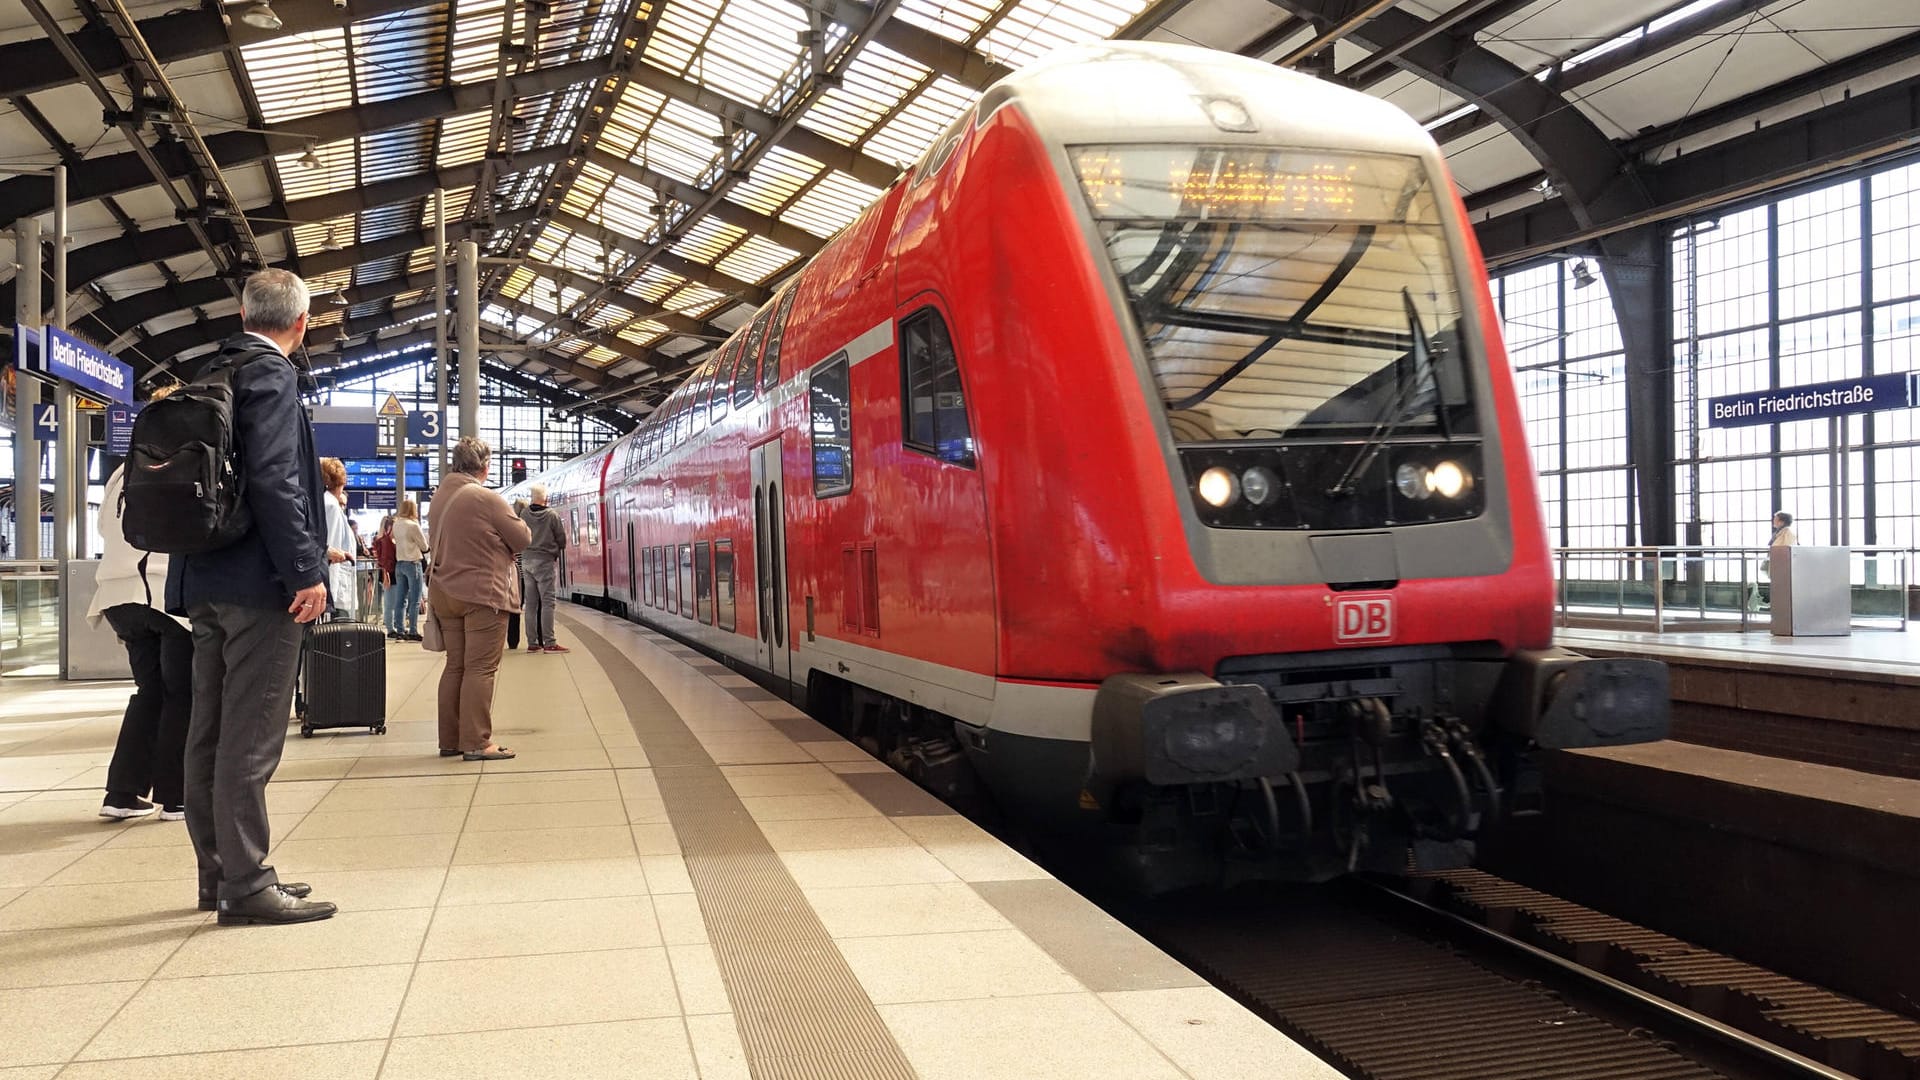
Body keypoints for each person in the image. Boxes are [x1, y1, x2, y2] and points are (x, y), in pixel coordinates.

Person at [165, 268, 336, 927]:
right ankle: (248, 884)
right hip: (258, 586)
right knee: (251, 736)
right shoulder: (271, 375)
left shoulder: (212, 369)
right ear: (302, 323)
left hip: (203, 581)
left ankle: (221, 875)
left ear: (242, 314)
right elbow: (274, 480)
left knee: (208, 730)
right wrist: (303, 571)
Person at [90, 435, 192, 822]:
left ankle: (122, 792)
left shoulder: (122, 470)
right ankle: (176, 797)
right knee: (183, 693)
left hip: (117, 594)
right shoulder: (184, 459)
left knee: (150, 691)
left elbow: (104, 527)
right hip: (164, 591)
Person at [429, 437, 530, 760]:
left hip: (444, 592)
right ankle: (476, 741)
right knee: (480, 668)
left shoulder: (440, 495)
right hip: (481, 595)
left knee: (456, 666)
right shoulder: (485, 497)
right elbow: (522, 538)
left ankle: (450, 740)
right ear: (485, 467)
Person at [519, 484, 570, 653]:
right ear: (545, 499)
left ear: (532, 498)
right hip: (544, 562)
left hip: (526, 561)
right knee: (548, 603)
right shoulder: (551, 515)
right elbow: (561, 538)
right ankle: (549, 643)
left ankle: (532, 643)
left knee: (531, 604)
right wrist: (556, 548)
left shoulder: (524, 514)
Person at [318, 458, 357, 620]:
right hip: (335, 589)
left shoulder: (328, 502)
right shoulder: (331, 506)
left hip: (336, 586)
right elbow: (331, 548)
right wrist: (329, 598)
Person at [389, 499, 429, 641]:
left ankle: (400, 630)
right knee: (415, 600)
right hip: (413, 564)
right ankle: (413, 630)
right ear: (413, 510)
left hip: (399, 564)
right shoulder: (413, 525)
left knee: (400, 600)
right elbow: (424, 547)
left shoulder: (396, 524)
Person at [506, 499, 527, 651]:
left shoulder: (508, 527)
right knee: (518, 606)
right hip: (522, 573)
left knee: (511, 606)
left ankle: (511, 640)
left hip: (510, 572)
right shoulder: (524, 528)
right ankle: (514, 640)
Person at [372, 514, 397, 633]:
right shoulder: (387, 540)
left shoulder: (380, 539)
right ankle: (391, 628)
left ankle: (391, 626)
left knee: (389, 602)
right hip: (390, 573)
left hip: (386, 572)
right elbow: (386, 559)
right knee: (391, 603)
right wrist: (386, 574)